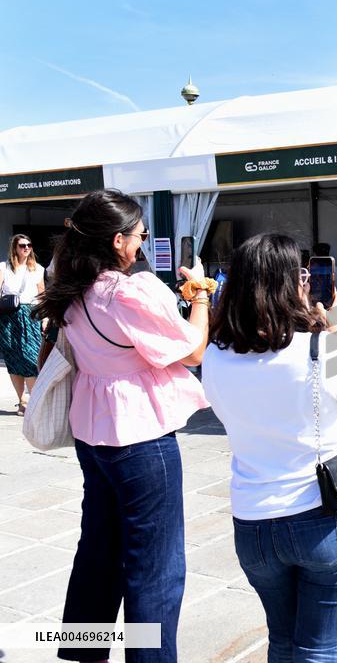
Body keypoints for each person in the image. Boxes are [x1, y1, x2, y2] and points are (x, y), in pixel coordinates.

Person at [34, 190, 211, 663]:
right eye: (139, 235)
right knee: (154, 567)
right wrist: (201, 296)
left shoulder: (69, 288)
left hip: (93, 434)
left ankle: (83, 653)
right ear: (117, 241)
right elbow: (192, 350)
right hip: (140, 437)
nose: (142, 243)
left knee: (99, 550)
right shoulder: (129, 290)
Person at [201, 233, 337, 662]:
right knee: (318, 649)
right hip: (323, 519)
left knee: (281, 641)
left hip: (253, 524)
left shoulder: (215, 356)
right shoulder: (321, 347)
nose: (306, 282)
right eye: (301, 275)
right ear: (289, 284)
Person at [0, 234, 45, 414]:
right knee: (12, 357)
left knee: (30, 356)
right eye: (22, 245)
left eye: (29, 245)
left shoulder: (38, 269)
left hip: (30, 314)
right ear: (15, 248)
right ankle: (22, 400)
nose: (26, 248)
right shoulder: (4, 267)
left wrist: (46, 318)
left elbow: (42, 295)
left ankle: (33, 401)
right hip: (8, 315)